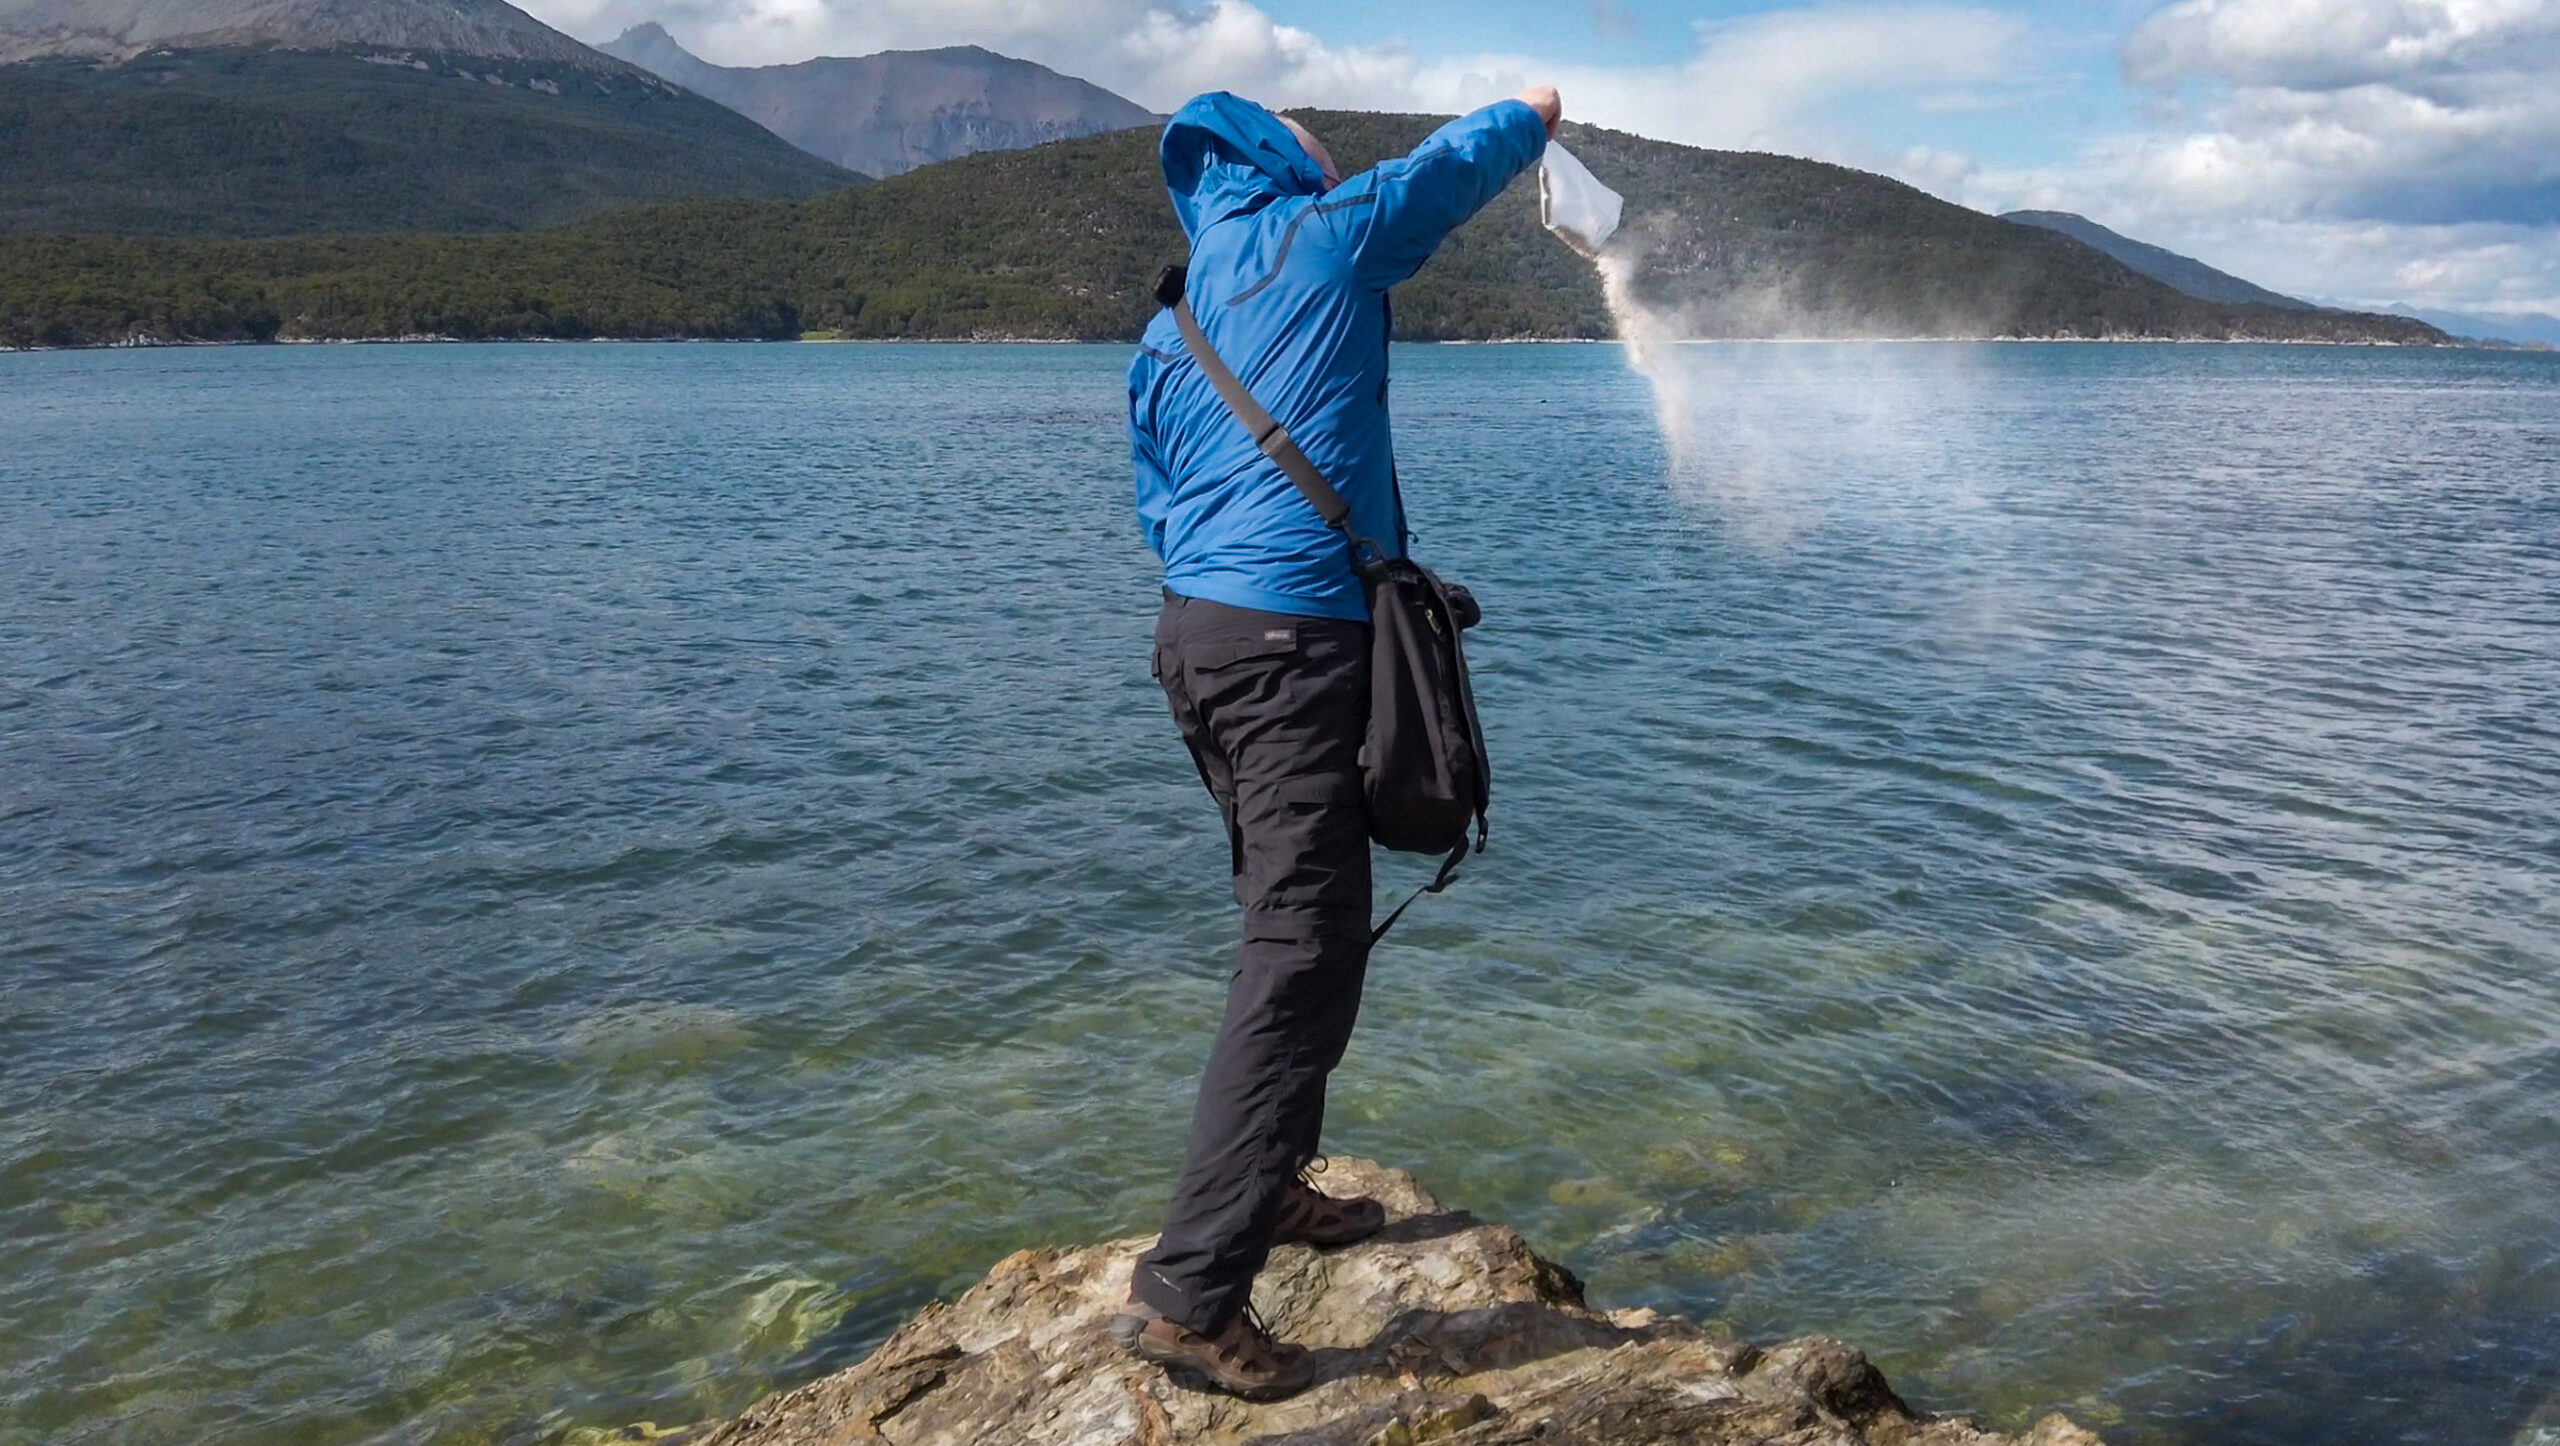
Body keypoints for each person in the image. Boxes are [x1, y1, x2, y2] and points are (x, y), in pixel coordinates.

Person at [1109, 86, 1564, 1401]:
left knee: (1299, 914)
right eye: (1308, 145)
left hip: (1197, 639)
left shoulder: (1168, 322)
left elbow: (1160, 501)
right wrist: (1528, 115)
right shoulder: (1323, 235)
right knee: (1299, 948)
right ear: (1271, 159)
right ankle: (1191, 1295)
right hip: (1288, 646)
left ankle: (1270, 1186)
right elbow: (1439, 170)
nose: (1327, 156)